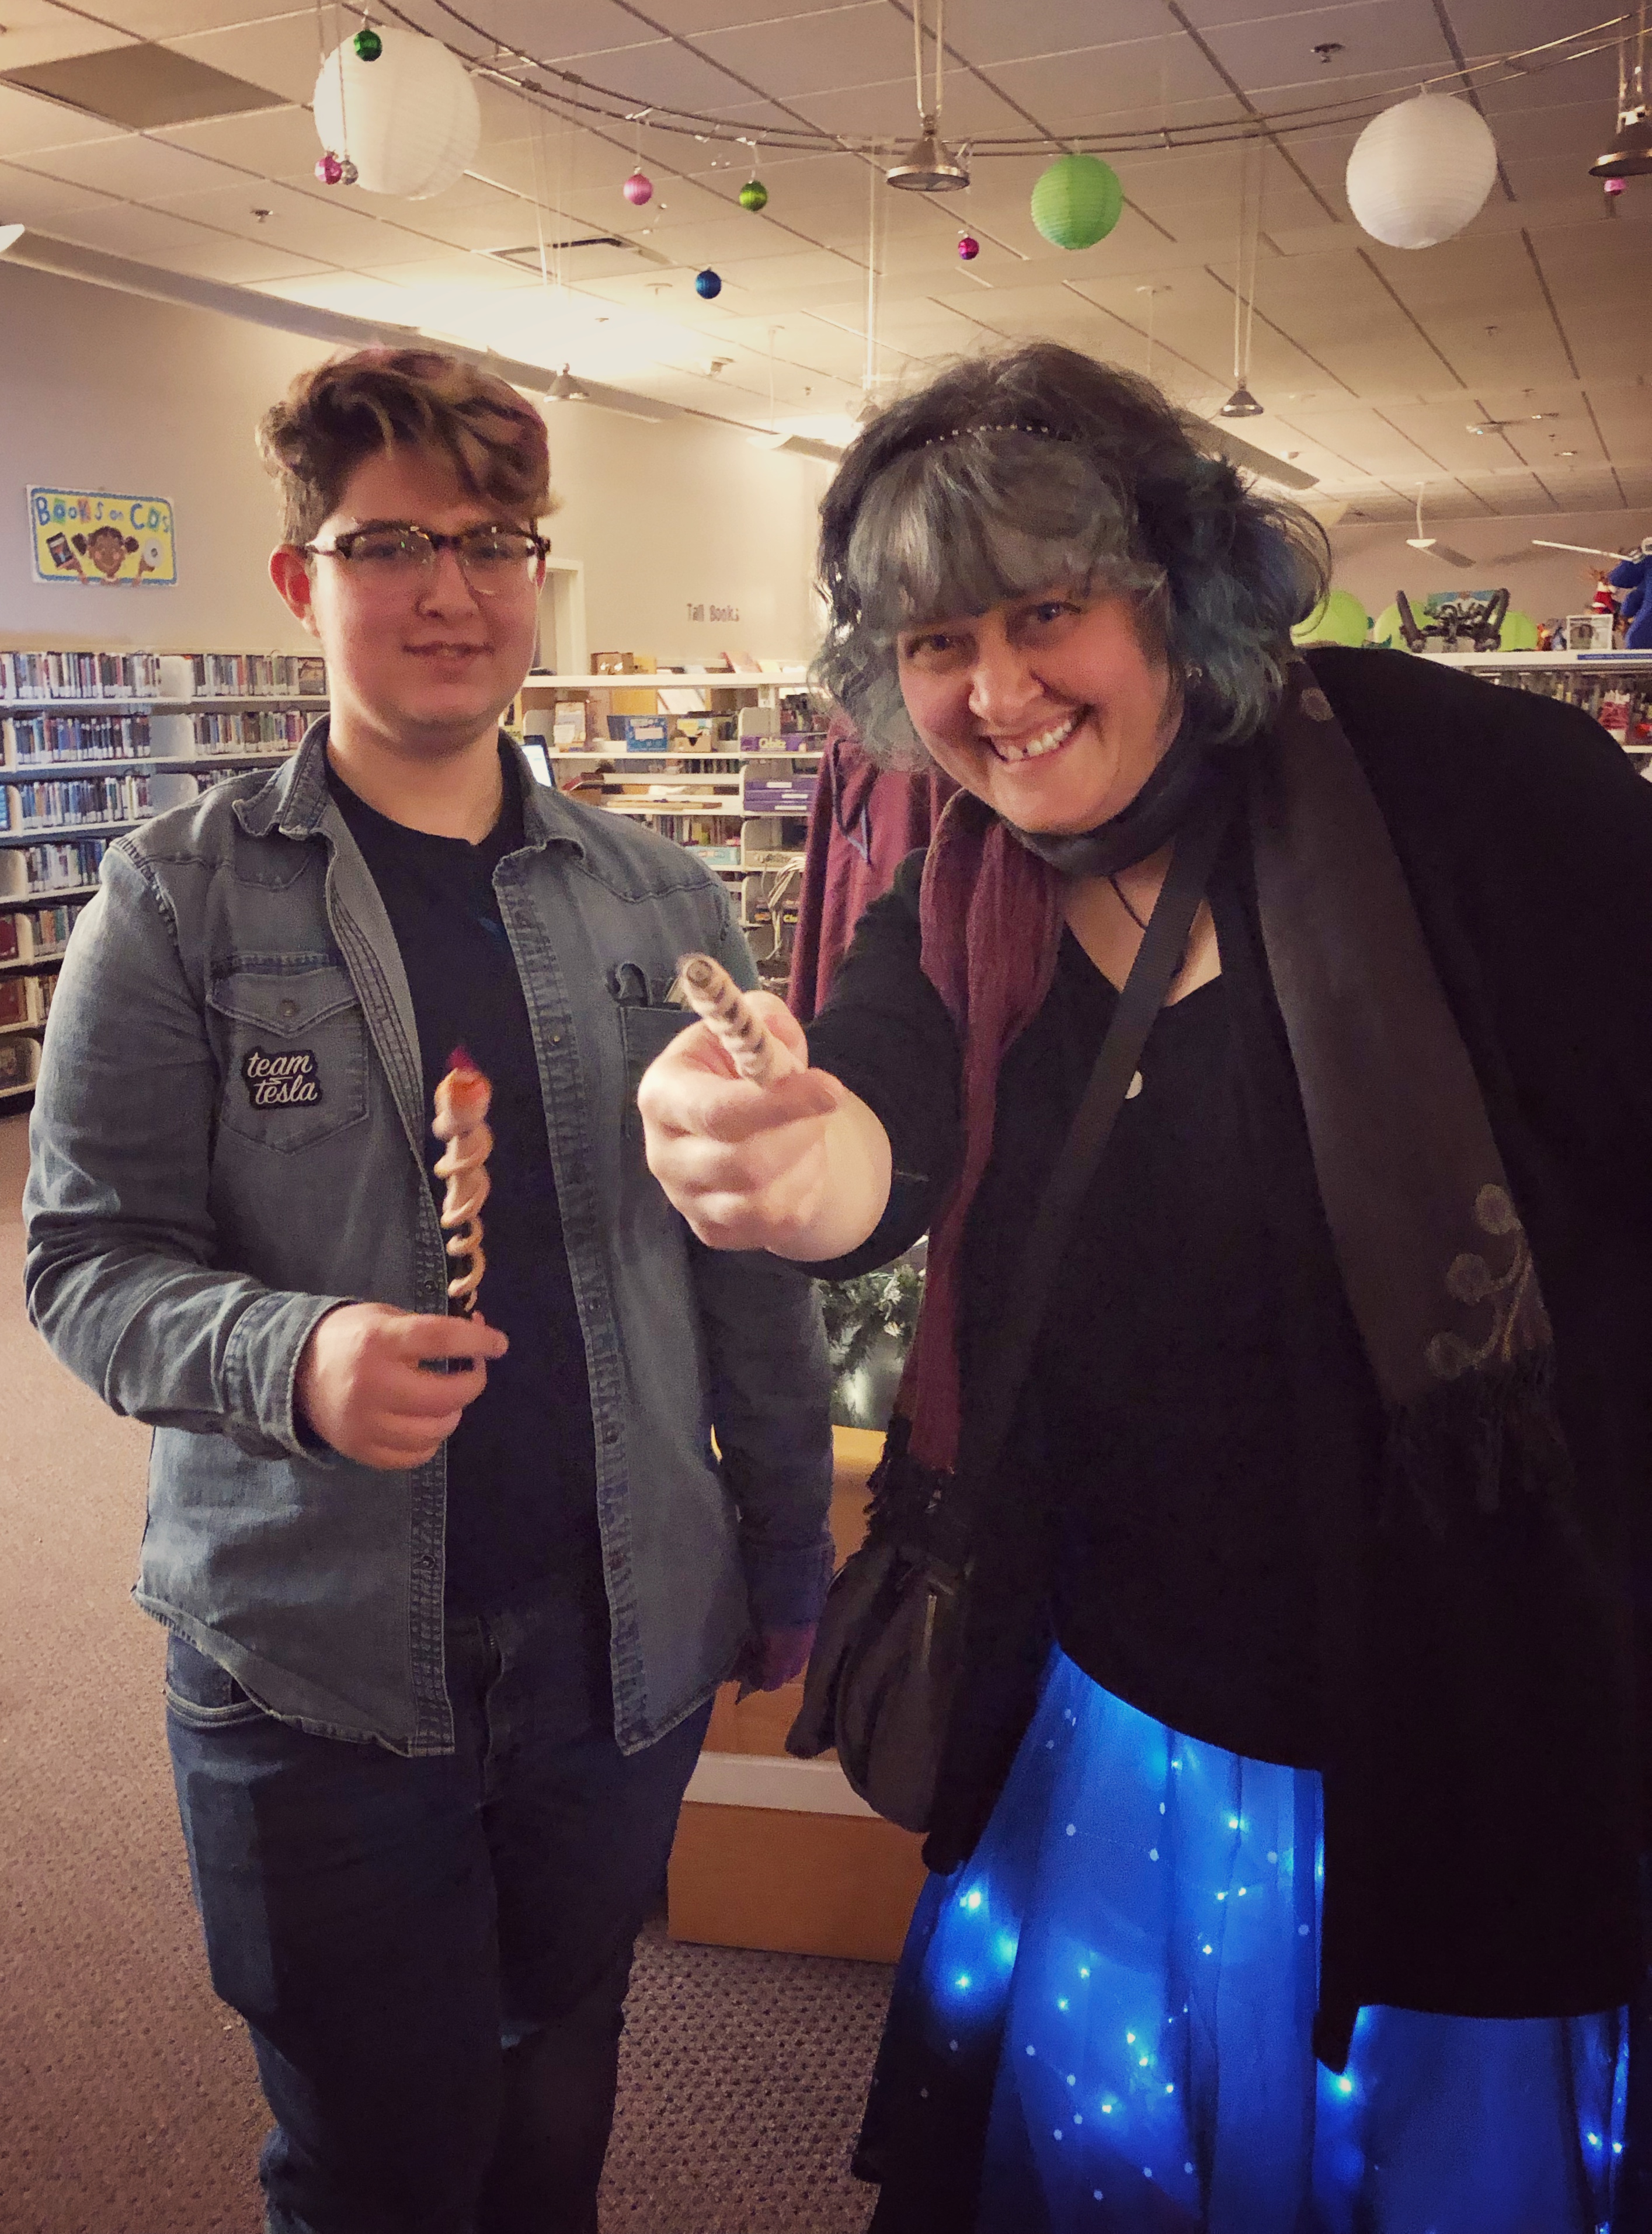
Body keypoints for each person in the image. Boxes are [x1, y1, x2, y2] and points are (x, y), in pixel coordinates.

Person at [637, 340, 1652, 2230]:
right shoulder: (959, 886)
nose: (997, 692)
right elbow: (873, 1123)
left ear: (1176, 585)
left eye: (1047, 610)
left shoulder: (1455, 781)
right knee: (1118, 2156)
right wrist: (784, 1159)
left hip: (1451, 1690)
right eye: (938, 642)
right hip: (1118, 1702)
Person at [24, 347, 833, 2234]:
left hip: (616, 1639)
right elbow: (81, 1259)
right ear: (301, 578)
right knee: (373, 2155)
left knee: (558, 2083)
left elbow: (747, 1253)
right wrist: (292, 1351)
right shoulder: (175, 900)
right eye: (390, 544)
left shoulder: (664, 901)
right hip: (310, 1660)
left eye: (492, 543)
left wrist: (786, 1542)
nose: (450, 590)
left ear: (537, 570)